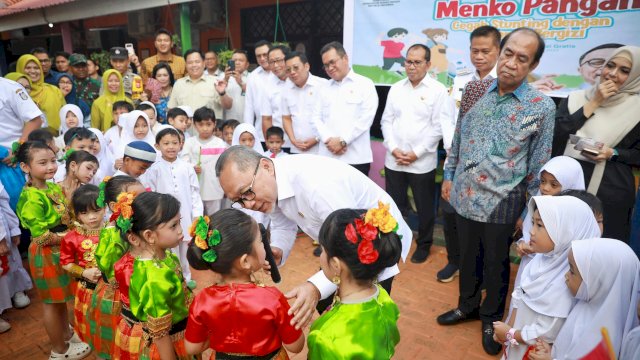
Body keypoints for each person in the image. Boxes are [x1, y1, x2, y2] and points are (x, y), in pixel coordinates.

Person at [438, 27, 556, 356]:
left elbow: (538, 166)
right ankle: (467, 306)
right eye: (508, 54)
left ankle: (491, 318)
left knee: (495, 264)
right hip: (464, 195)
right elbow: (459, 137)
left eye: (522, 59)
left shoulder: (541, 107)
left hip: (503, 204)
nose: (511, 64)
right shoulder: (474, 90)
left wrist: (528, 213)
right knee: (467, 258)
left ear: (532, 66)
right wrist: (449, 173)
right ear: (499, 53)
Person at [216, 146, 412, 329]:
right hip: (339, 247)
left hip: (372, 246)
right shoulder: (271, 187)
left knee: (364, 317)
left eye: (246, 193)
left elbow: (351, 245)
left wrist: (315, 288)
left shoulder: (317, 186)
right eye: (239, 201)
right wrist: (279, 249)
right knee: (329, 303)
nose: (248, 205)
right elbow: (282, 222)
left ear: (266, 166)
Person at [184, 210, 305, 358]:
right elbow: (295, 346)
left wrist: (219, 335)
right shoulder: (273, 299)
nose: (264, 245)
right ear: (245, 261)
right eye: (260, 240)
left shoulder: (202, 300)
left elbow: (192, 347)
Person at [493, 196, 601, 359]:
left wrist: (510, 334)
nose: (531, 231)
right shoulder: (540, 260)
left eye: (540, 225)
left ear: (565, 232)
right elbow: (520, 297)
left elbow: (546, 332)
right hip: (516, 343)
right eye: (533, 223)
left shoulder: (567, 282)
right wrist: (508, 331)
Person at [553, 45, 640, 242]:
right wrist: (594, 102)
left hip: (609, 194)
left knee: (597, 255)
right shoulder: (575, 98)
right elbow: (557, 135)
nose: (613, 74)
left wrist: (613, 153)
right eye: (610, 66)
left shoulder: (637, 110)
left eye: (624, 71)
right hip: (566, 186)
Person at [15, 141, 91, 359]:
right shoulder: (31, 196)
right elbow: (40, 236)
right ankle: (58, 350)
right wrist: (73, 236)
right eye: (42, 163)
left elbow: (66, 216)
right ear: (25, 167)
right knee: (51, 302)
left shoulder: (52, 187)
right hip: (47, 253)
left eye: (53, 161)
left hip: (60, 249)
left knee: (60, 299)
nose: (50, 166)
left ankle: (66, 334)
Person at [381, 43, 455, 264]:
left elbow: (438, 127)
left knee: (424, 207)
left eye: (417, 62)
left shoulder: (438, 90)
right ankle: (393, 244)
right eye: (408, 62)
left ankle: (423, 245)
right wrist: (393, 148)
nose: (411, 67)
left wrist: (416, 153)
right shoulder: (396, 88)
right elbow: (386, 120)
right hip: (394, 160)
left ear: (428, 64)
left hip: (421, 162)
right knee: (394, 205)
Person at [307, 207, 401, 359]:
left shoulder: (325, 337)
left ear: (336, 265)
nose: (321, 255)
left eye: (322, 249)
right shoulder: (384, 298)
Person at [112, 191, 193, 359]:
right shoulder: (154, 279)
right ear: (149, 235)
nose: (180, 230)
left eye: (180, 222)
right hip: (167, 345)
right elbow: (160, 333)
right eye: (173, 226)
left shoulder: (164, 255)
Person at [529, 238, 640, 360]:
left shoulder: (607, 337)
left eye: (572, 271)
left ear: (599, 281)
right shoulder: (584, 305)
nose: (565, 275)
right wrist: (552, 353)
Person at [511, 156, 586, 293]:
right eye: (543, 181)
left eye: (554, 184)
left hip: (557, 274)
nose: (545, 188)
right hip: (530, 264)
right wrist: (523, 244)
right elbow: (528, 230)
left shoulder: (575, 215)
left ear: (570, 185)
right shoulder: (538, 203)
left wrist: (540, 248)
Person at [92, 175, 145, 359]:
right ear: (116, 207)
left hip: (130, 292)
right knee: (114, 339)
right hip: (118, 295)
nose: (143, 203)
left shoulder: (132, 227)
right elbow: (113, 271)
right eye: (135, 199)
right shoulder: (113, 235)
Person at [146, 127, 203, 281]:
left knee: (185, 249)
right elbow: (151, 194)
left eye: (174, 143)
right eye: (166, 143)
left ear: (180, 144)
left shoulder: (187, 167)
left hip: (185, 216)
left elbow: (195, 193)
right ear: (158, 146)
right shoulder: (154, 169)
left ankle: (186, 278)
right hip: (164, 217)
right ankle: (171, 278)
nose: (171, 147)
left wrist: (197, 215)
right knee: (169, 248)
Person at [314, 41, 378, 176]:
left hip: (356, 157)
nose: (330, 68)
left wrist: (343, 141)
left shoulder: (365, 84)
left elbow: (366, 119)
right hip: (327, 156)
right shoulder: (323, 88)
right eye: (326, 65)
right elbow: (316, 118)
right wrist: (329, 141)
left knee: (354, 197)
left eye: (332, 62)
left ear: (345, 58)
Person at [60, 184, 105, 343]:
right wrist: (83, 272)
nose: (91, 217)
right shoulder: (71, 238)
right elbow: (66, 263)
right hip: (89, 289)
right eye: (85, 213)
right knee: (96, 328)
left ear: (105, 208)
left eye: (96, 211)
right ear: (77, 215)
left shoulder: (114, 232)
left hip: (115, 289)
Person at [0, 76, 43, 208]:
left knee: (20, 208)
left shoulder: (10, 88)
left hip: (9, 160)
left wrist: (19, 147)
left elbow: (35, 120)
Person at [181, 107, 228, 216]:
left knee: (214, 217)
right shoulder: (190, 142)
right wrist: (192, 166)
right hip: (195, 188)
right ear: (194, 124)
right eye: (201, 125)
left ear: (214, 124)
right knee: (197, 218)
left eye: (208, 124)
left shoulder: (220, 143)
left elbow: (224, 166)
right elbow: (183, 161)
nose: (205, 128)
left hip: (215, 188)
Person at [0, 182, 32, 333]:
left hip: (3, 228)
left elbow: (4, 203)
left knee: (11, 262)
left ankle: (16, 290)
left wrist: (13, 229)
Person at [281, 51, 327, 154]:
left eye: (296, 67)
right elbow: (286, 118)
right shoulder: (286, 90)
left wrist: (317, 138)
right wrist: (293, 140)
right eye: (288, 70)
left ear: (306, 66)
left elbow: (330, 118)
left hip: (321, 148)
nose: (292, 72)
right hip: (296, 148)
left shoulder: (323, 85)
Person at [168, 49, 229, 121]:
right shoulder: (178, 84)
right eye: (190, 62)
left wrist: (222, 93)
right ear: (186, 65)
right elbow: (171, 109)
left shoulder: (215, 82)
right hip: (185, 130)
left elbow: (227, 106)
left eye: (197, 62)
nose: (194, 65)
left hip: (210, 131)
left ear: (203, 63)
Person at [450, 25, 500, 109]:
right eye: (475, 51)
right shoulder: (461, 79)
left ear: (499, 50)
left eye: (485, 51)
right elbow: (448, 114)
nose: (479, 57)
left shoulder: (506, 80)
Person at [17, 54, 66, 134]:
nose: (33, 71)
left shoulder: (53, 90)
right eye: (28, 68)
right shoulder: (15, 93)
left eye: (36, 68)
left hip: (55, 140)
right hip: (26, 141)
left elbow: (65, 115)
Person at [261, 45, 292, 150]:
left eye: (279, 60)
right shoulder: (267, 86)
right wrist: (270, 144)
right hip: (279, 144)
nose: (275, 65)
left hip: (303, 142)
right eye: (271, 62)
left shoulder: (298, 81)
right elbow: (266, 118)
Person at [243, 40, 272, 146]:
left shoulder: (281, 73)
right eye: (259, 56)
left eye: (265, 55)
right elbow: (249, 106)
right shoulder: (253, 76)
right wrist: (248, 131)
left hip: (284, 135)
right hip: (260, 134)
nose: (262, 58)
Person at [222, 49, 250, 121]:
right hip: (227, 122)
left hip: (246, 121)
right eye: (234, 60)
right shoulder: (222, 77)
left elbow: (255, 97)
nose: (237, 63)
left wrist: (240, 82)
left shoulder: (252, 77)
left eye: (241, 60)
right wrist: (225, 79)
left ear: (247, 65)